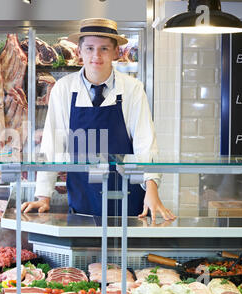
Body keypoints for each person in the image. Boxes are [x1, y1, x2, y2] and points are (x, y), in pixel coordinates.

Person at [22, 18, 175, 221]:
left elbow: (145, 144)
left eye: (104, 48)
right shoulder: (64, 89)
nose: (96, 55)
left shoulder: (133, 89)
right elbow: (52, 143)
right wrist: (43, 196)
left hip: (128, 198)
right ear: (79, 52)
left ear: (115, 52)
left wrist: (152, 189)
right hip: (82, 195)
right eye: (90, 48)